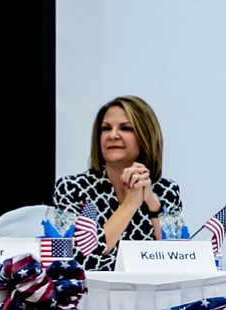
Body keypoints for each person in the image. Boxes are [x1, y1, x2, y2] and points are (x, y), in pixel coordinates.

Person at [53, 95, 183, 271]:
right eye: (106, 129)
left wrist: (153, 207)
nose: (113, 135)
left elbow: (180, 259)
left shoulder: (166, 190)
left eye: (126, 128)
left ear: (145, 136)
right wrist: (130, 204)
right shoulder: (70, 188)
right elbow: (74, 259)